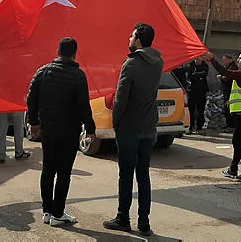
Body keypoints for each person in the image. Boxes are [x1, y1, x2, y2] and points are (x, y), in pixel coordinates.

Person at [27, 38, 95, 227]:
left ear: (58, 51)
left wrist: (34, 122)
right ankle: (58, 213)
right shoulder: (78, 76)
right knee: (64, 173)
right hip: (69, 132)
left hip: (48, 130)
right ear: (75, 54)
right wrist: (90, 129)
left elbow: (31, 98)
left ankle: (47, 211)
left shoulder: (43, 72)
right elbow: (83, 106)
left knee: (48, 170)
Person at [103, 23, 163, 237]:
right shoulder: (158, 62)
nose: (129, 39)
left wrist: (116, 121)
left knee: (126, 174)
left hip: (130, 127)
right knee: (143, 175)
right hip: (149, 126)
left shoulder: (131, 64)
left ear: (138, 41)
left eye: (131, 36)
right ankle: (144, 222)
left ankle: (123, 218)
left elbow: (121, 98)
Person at [207, 50, 241, 182]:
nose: (238, 61)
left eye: (240, 58)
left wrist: (212, 59)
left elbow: (226, 73)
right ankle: (239, 169)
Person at [187, 57, 209, 134]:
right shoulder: (191, 65)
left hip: (202, 91)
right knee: (191, 110)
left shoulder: (205, 65)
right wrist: (199, 75)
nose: (197, 60)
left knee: (200, 110)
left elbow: (204, 74)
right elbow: (190, 76)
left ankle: (199, 128)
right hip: (192, 91)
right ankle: (190, 127)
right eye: (196, 59)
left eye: (199, 59)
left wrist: (195, 75)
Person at [218, 54, 238, 128]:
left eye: (224, 60)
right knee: (226, 108)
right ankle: (229, 124)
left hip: (230, 90)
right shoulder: (228, 66)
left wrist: (221, 78)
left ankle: (231, 125)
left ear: (229, 60)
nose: (223, 62)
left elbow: (229, 78)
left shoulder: (233, 67)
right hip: (226, 89)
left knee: (229, 107)